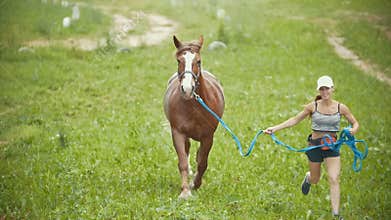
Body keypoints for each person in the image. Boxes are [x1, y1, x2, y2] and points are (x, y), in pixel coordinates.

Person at [264, 76, 359, 219]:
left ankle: (336, 214)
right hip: (314, 146)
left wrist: (353, 130)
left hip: (332, 147)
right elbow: (294, 120)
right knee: (315, 179)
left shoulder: (341, 107)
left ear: (332, 89)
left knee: (334, 178)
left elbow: (355, 123)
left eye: (327, 88)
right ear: (319, 90)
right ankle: (308, 178)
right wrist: (275, 128)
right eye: (322, 88)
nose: (325, 91)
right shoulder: (313, 106)